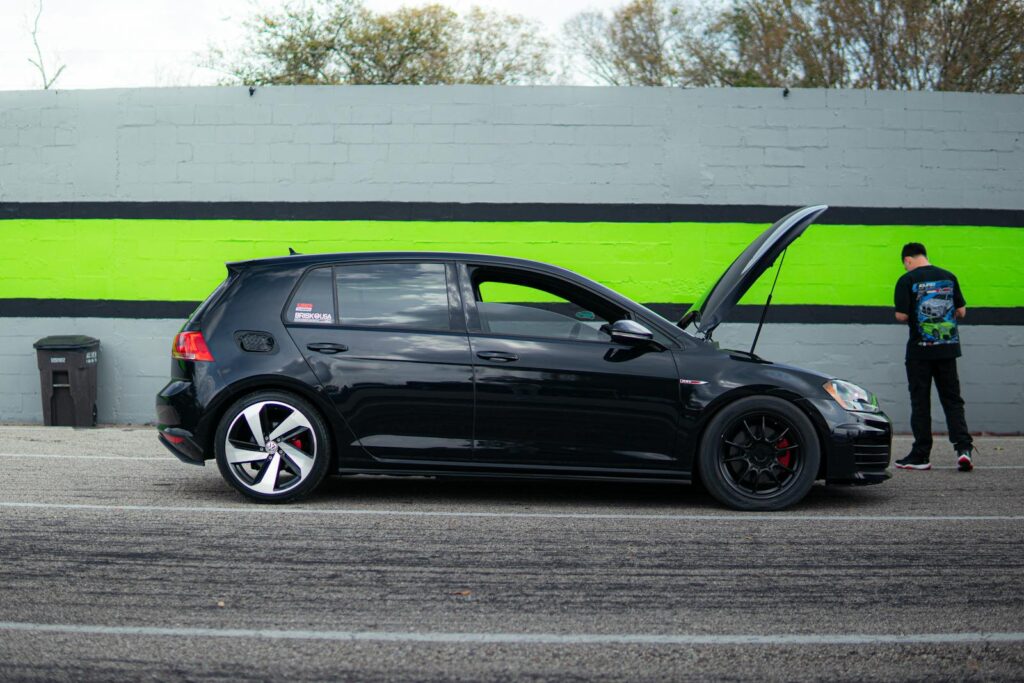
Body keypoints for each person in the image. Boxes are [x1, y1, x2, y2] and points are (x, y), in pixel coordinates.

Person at [893, 242, 974, 472]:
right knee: (952, 400)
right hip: (947, 350)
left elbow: (901, 315)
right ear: (925, 256)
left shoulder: (906, 280)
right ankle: (964, 449)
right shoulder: (948, 277)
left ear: (907, 260)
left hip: (920, 351)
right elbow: (961, 311)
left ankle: (921, 455)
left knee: (921, 402)